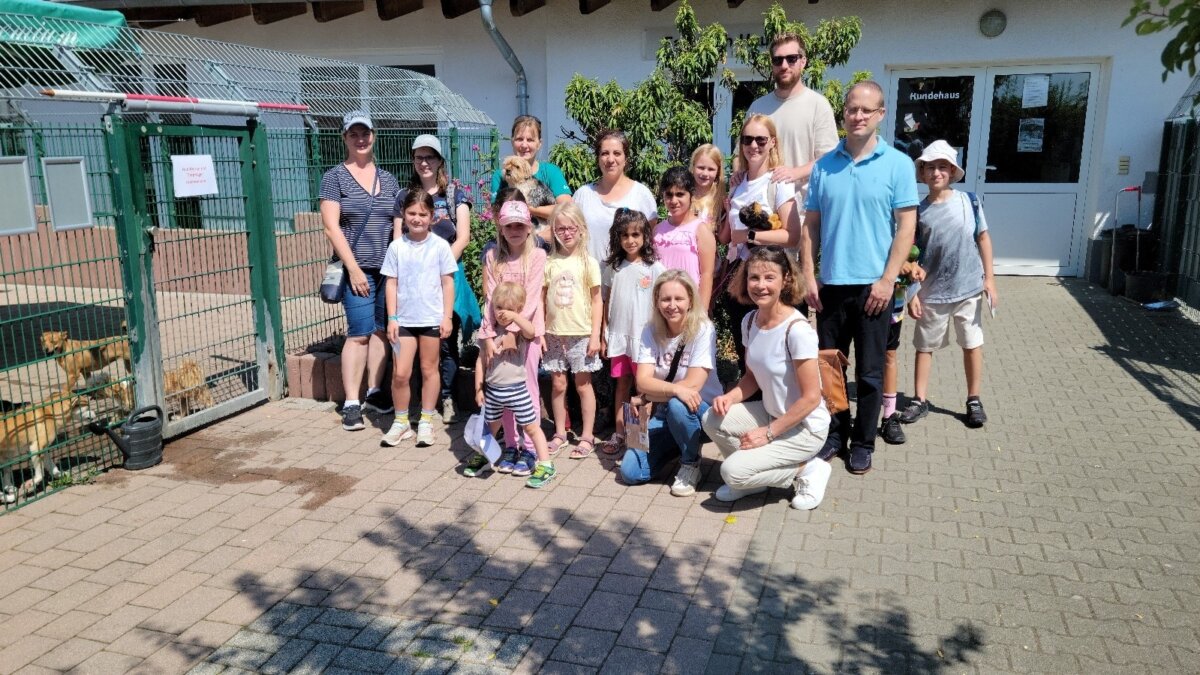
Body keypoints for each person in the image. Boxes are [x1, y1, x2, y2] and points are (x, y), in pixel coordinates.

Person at [801, 81, 920, 475]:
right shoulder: (824, 166)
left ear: (880, 114)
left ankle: (864, 442)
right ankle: (835, 435)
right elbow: (811, 226)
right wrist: (809, 274)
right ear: (844, 113)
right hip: (832, 285)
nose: (858, 116)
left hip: (874, 287)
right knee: (830, 369)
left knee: (870, 372)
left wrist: (888, 281)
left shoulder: (898, 164)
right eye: (852, 109)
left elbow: (906, 227)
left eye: (866, 110)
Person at [702, 246, 831, 509]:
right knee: (712, 419)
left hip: (805, 427)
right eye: (754, 277)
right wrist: (730, 397)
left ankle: (808, 469)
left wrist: (768, 434)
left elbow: (811, 398)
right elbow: (751, 377)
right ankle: (753, 480)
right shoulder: (750, 321)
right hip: (773, 413)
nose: (760, 285)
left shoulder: (797, 331)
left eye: (769, 277)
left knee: (731, 472)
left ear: (786, 279)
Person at [899, 140, 997, 429]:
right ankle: (919, 399)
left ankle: (974, 399)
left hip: (968, 289)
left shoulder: (970, 202)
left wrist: (990, 279)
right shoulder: (918, 211)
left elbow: (983, 238)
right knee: (924, 347)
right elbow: (909, 255)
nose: (936, 173)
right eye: (930, 167)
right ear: (922, 173)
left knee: (971, 343)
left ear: (953, 171)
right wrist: (911, 293)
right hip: (932, 293)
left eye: (943, 167)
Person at [319, 111, 401, 431]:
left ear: (373, 136)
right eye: (353, 134)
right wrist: (353, 269)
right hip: (358, 269)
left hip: (386, 270)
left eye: (365, 133)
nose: (360, 139)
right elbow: (331, 227)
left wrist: (398, 267)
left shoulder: (388, 179)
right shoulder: (334, 178)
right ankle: (352, 402)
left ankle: (375, 391)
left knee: (380, 331)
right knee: (358, 333)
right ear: (344, 138)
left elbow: (396, 224)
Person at [399, 134, 478, 425]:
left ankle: (447, 397)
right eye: (419, 157)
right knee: (416, 342)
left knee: (445, 341)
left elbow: (464, 237)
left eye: (429, 157)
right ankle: (421, 402)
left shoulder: (455, 194)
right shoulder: (404, 196)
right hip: (414, 283)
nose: (424, 162)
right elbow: (398, 239)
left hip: (446, 278)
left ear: (440, 160)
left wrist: (438, 266)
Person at [621, 271, 724, 497]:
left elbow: (693, 386)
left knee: (679, 404)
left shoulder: (703, 329)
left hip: (703, 412)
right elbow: (642, 381)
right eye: (666, 299)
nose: (672, 305)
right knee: (630, 472)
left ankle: (690, 463)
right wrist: (672, 389)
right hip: (665, 412)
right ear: (657, 302)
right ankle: (680, 442)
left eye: (679, 299)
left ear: (690, 301)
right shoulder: (650, 330)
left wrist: (649, 396)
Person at [724, 114, 802, 366]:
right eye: (747, 139)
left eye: (761, 139)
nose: (753, 145)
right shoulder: (737, 184)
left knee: (775, 358)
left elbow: (792, 235)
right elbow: (728, 234)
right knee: (746, 356)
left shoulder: (778, 182)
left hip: (770, 279)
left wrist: (749, 236)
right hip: (741, 276)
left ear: (772, 143)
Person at [381, 190, 457, 447]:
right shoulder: (397, 247)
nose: (417, 218)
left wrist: (447, 317)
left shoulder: (440, 246)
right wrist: (392, 318)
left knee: (429, 369)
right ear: (403, 215)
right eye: (412, 213)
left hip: (431, 320)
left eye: (423, 214)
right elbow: (391, 284)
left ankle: (426, 419)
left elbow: (448, 283)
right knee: (401, 373)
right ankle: (401, 421)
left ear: (432, 217)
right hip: (403, 321)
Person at [466, 282, 557, 488]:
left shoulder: (519, 333)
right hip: (494, 391)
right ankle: (485, 457)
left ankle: (546, 464)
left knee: (531, 427)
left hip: (518, 391)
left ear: (519, 309)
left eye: (509, 309)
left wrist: (516, 317)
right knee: (490, 428)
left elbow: (531, 330)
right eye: (499, 307)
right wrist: (478, 388)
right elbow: (480, 361)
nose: (503, 313)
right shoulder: (488, 334)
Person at [478, 201, 547, 475]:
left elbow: (531, 298)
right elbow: (490, 298)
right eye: (509, 226)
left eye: (520, 225)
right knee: (501, 389)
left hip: (527, 334)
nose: (515, 230)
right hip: (497, 334)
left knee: (527, 389)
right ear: (501, 229)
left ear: (529, 228)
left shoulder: (537, 255)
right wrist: (488, 335)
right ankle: (510, 444)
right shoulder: (493, 256)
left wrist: (513, 333)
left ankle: (529, 448)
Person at [600, 209, 665, 455]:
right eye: (624, 235)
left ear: (645, 236)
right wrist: (603, 333)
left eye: (635, 234)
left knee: (643, 389)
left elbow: (663, 301)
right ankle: (619, 433)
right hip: (619, 337)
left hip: (643, 341)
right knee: (622, 385)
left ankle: (639, 439)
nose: (630, 240)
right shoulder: (613, 267)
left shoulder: (654, 268)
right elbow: (606, 301)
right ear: (617, 237)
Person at [543, 202, 603, 459]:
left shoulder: (589, 263)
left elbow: (597, 300)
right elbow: (541, 298)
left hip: (581, 334)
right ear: (554, 231)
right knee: (558, 384)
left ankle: (587, 435)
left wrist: (595, 335)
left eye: (571, 228)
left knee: (583, 385)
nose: (566, 233)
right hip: (554, 333)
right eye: (561, 229)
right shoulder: (549, 262)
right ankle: (559, 432)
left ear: (581, 229)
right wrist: (540, 331)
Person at [746, 31, 839, 192]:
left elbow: (829, 158)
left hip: (803, 205)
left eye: (791, 59)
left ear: (803, 62)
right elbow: (740, 155)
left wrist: (795, 173)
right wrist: (738, 175)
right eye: (778, 60)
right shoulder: (757, 108)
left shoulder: (818, 105)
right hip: (760, 204)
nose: (784, 65)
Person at [573, 129, 657, 266]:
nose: (610, 159)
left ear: (626, 158)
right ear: (598, 158)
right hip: (590, 277)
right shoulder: (583, 195)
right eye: (605, 153)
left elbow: (649, 240)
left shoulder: (641, 194)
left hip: (630, 276)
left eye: (617, 153)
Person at [490, 115, 573, 227]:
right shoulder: (500, 176)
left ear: (539, 143)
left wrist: (528, 209)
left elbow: (568, 209)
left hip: (547, 233)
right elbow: (497, 215)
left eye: (530, 140)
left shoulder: (551, 172)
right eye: (519, 139)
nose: (524, 145)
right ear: (512, 141)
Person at [654, 167, 717, 311]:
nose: (673, 200)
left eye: (680, 194)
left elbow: (707, 275)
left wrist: (701, 313)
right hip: (661, 307)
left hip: (689, 308)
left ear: (691, 195)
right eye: (669, 194)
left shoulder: (701, 230)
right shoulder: (657, 231)